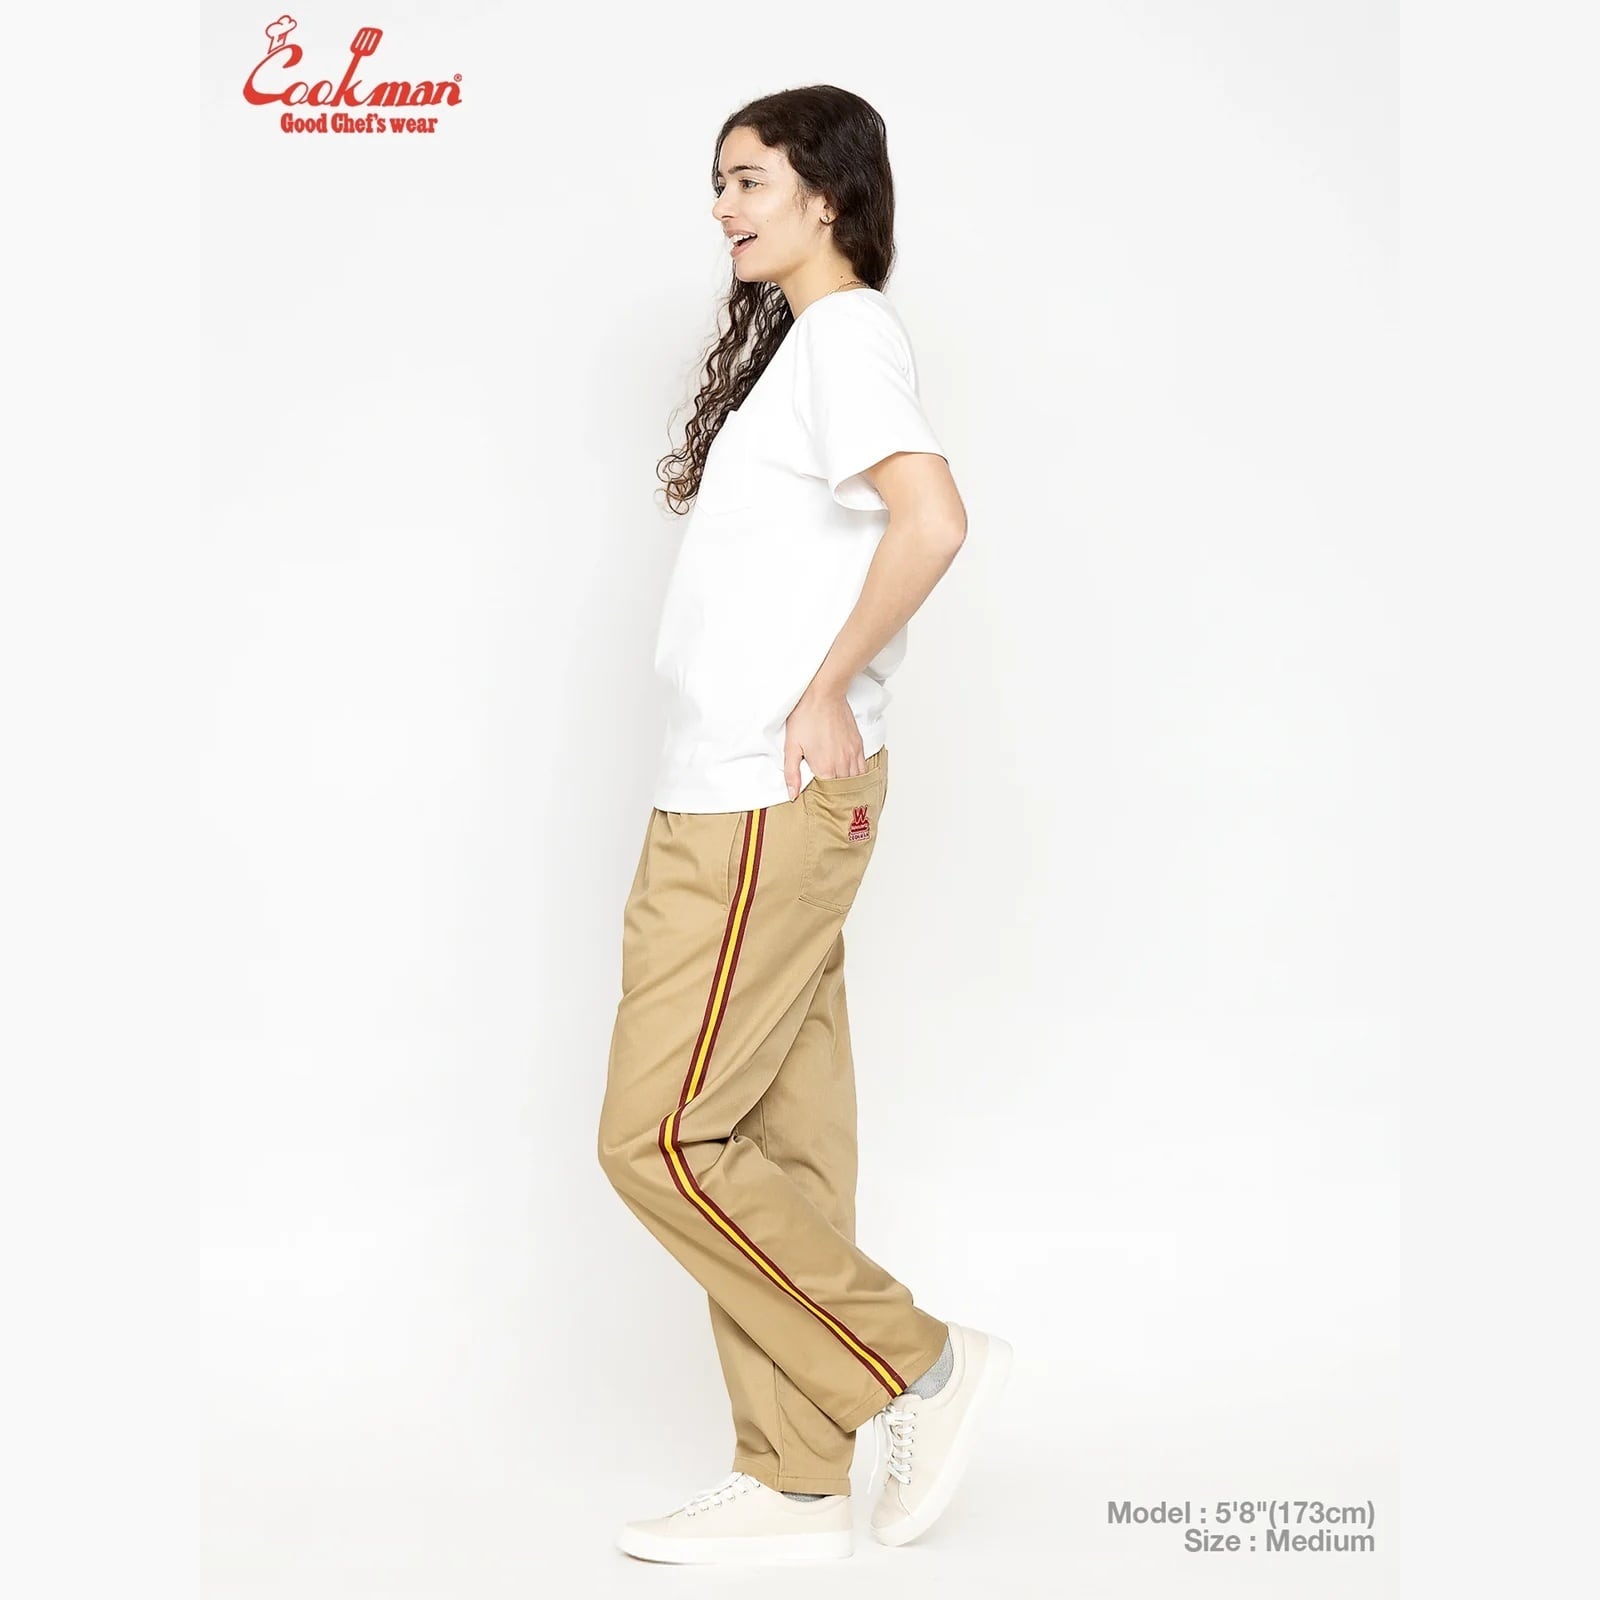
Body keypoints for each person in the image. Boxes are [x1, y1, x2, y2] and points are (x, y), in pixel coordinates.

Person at [597, 86, 1013, 1565]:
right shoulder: (808, 348)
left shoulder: (842, 336)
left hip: (761, 796)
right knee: (773, 1133)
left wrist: (828, 687)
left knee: (659, 1138)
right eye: (717, 182)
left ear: (825, 194)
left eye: (749, 179)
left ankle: (921, 1367)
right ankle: (790, 1481)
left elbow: (933, 519)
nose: (723, 207)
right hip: (743, 790)